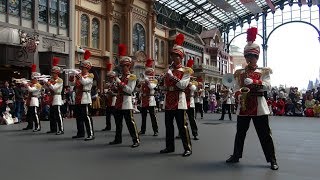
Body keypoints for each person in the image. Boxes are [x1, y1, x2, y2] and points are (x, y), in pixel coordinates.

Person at [225, 27, 278, 170]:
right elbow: (236, 86)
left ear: (257, 57)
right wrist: (237, 93)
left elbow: (268, 86)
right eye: (247, 55)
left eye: (252, 56)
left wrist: (254, 82)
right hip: (243, 106)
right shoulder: (239, 72)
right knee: (240, 133)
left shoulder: (263, 71)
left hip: (259, 105)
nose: (250, 58)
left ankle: (272, 159)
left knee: (265, 134)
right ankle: (236, 155)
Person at [159, 33, 192, 157]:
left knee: (182, 126)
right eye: (172, 55)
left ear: (181, 57)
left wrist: (171, 77)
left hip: (180, 101)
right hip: (169, 100)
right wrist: (162, 81)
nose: (173, 58)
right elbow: (163, 87)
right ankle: (169, 147)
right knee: (168, 126)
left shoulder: (186, 71)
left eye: (176, 56)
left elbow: (183, 86)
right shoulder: (169, 71)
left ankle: (187, 147)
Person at [109, 44, 140, 148]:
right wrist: (113, 86)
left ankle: (136, 140)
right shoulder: (121, 77)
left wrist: (118, 82)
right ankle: (118, 139)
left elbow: (129, 90)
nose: (122, 68)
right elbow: (118, 89)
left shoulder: (132, 77)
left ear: (129, 66)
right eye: (121, 66)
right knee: (118, 123)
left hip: (126, 102)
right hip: (118, 101)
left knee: (130, 123)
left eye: (125, 66)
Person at [69, 50, 95, 141]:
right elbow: (72, 85)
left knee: (87, 117)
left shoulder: (90, 76)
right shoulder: (80, 75)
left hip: (85, 97)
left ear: (87, 68)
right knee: (78, 117)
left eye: (83, 67)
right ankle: (80, 133)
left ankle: (91, 134)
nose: (81, 69)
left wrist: (79, 76)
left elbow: (84, 82)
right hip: (78, 97)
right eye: (81, 67)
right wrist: (72, 77)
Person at [138, 58, 159, 136]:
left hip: (150, 100)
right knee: (143, 117)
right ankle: (143, 130)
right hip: (144, 100)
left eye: (147, 73)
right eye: (146, 73)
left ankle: (155, 130)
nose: (146, 74)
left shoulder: (154, 81)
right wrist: (139, 84)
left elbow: (151, 87)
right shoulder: (143, 81)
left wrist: (146, 80)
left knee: (152, 116)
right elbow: (138, 89)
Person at [44, 57, 64, 135]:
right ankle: (53, 129)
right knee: (52, 114)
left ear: (57, 73)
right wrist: (45, 83)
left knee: (58, 115)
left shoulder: (60, 80)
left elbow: (54, 88)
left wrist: (48, 83)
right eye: (52, 73)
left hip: (57, 98)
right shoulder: (52, 80)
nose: (52, 74)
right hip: (52, 98)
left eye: (54, 73)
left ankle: (61, 129)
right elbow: (46, 88)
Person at [22, 64, 42, 132]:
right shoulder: (32, 84)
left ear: (36, 79)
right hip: (30, 100)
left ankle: (38, 126)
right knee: (29, 114)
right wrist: (26, 85)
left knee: (35, 114)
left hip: (34, 100)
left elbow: (31, 90)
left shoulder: (38, 85)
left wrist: (26, 85)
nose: (32, 79)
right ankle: (30, 125)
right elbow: (28, 89)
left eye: (33, 78)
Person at [102, 63, 117, 131]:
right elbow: (105, 91)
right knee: (107, 115)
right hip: (108, 100)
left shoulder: (116, 84)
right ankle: (108, 126)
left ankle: (118, 126)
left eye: (110, 77)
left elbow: (119, 93)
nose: (109, 78)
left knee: (116, 115)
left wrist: (112, 93)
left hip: (114, 101)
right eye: (108, 77)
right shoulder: (107, 84)